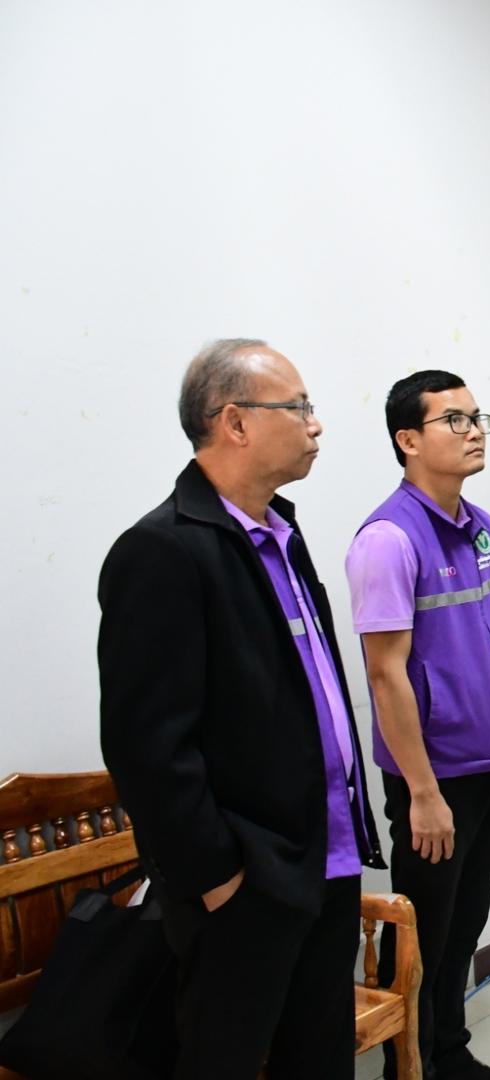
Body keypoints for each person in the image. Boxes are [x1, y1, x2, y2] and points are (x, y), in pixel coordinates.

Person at [99, 339, 385, 1080]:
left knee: (319, 1059)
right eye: (299, 407)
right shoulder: (163, 550)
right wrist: (216, 878)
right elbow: (146, 746)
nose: (316, 424)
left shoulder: (280, 533)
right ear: (235, 422)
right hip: (247, 883)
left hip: (325, 858)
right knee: (222, 1060)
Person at [345, 370, 490, 1080]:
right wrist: (422, 793)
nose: (474, 431)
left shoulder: (483, 527)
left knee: (464, 923)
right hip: (433, 779)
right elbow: (385, 675)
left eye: (477, 417)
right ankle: (411, 1067)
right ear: (408, 439)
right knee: (421, 933)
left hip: (488, 762)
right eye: (454, 420)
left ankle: (449, 1052)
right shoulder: (388, 539)